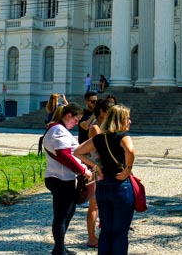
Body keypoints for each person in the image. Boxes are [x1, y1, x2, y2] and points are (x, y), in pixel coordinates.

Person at [75, 104, 136, 254]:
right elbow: (130, 150)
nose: (130, 121)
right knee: (120, 231)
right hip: (121, 186)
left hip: (103, 186)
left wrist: (96, 166)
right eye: (128, 118)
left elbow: (78, 152)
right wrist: (128, 169)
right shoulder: (123, 136)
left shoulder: (99, 138)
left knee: (106, 230)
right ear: (120, 120)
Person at [42, 103, 93, 255]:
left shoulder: (57, 128)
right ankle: (59, 251)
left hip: (60, 177)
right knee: (62, 216)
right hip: (61, 178)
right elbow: (64, 154)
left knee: (66, 214)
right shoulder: (59, 130)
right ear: (69, 115)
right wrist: (83, 170)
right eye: (76, 120)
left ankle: (60, 247)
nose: (76, 124)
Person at [82, 97, 115, 249]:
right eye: (110, 111)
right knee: (94, 205)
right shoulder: (96, 127)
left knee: (107, 204)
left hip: (107, 169)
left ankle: (105, 233)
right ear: (102, 111)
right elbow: (100, 150)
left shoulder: (109, 125)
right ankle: (91, 237)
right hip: (97, 169)